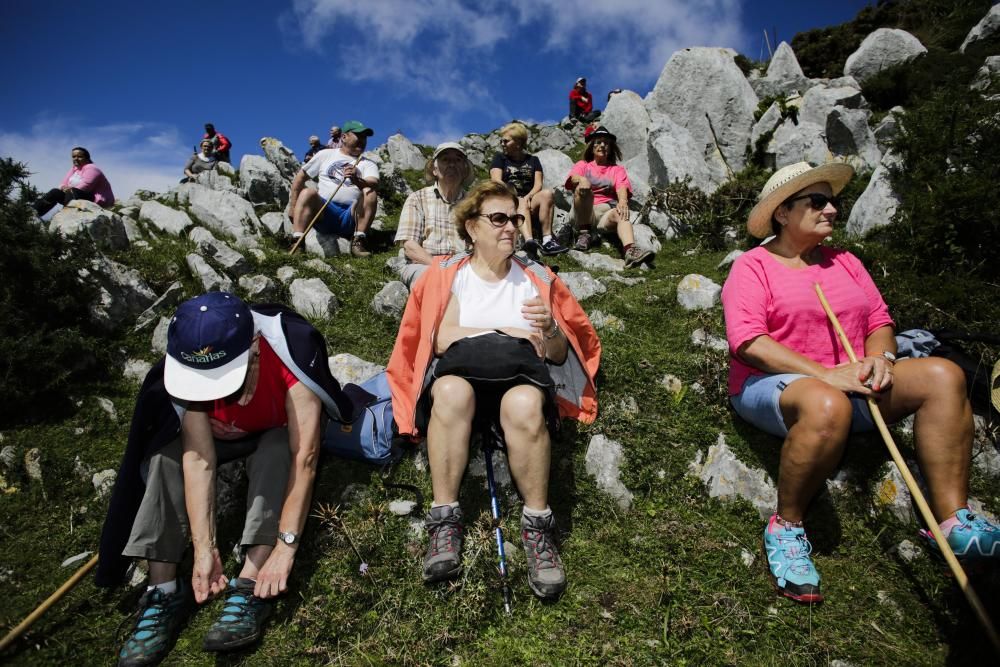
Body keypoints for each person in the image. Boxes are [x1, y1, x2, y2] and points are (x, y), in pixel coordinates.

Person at [722, 161, 1000, 605]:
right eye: (818, 201)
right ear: (782, 213)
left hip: (854, 381)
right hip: (778, 384)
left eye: (834, 201)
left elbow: (879, 321)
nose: (831, 209)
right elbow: (749, 341)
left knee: (943, 375)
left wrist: (881, 359)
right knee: (825, 404)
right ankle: (787, 527)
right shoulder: (753, 266)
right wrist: (827, 374)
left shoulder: (845, 261)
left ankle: (953, 521)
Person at [98, 292, 357, 665]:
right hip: (216, 440)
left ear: (253, 344)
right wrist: (205, 548)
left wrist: (287, 548)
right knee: (164, 459)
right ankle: (164, 588)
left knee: (277, 449)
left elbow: (306, 457)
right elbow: (198, 458)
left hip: (272, 432)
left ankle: (252, 577)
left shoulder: (290, 350)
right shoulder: (190, 354)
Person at [387, 180, 601, 600]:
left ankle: (538, 526)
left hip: (519, 382)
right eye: (499, 218)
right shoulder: (448, 275)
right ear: (472, 227)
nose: (511, 227)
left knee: (524, 404)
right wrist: (511, 330)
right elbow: (442, 338)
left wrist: (550, 329)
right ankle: (445, 519)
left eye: (516, 219)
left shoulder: (535, 278)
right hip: (462, 378)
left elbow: (558, 355)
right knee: (449, 392)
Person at [289, 120, 379, 258]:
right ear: (344, 137)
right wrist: (293, 206)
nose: (362, 140)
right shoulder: (326, 154)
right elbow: (300, 178)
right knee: (307, 192)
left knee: (369, 192)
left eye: (365, 137)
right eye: (358, 136)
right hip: (325, 212)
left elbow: (373, 183)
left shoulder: (368, 163)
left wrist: (356, 179)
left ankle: (358, 240)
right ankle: (297, 242)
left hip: (351, 216)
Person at [565, 127, 652, 268]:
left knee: (621, 211)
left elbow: (621, 187)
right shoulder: (583, 165)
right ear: (591, 147)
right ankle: (584, 234)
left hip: (604, 215)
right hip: (583, 213)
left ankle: (630, 250)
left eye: (606, 143)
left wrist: (623, 201)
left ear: (611, 148)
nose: (602, 146)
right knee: (584, 189)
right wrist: (581, 179)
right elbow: (572, 178)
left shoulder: (617, 170)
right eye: (598, 142)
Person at [394, 141, 473, 287]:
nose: (452, 164)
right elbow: (410, 246)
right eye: (445, 160)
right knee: (431, 281)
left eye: (458, 160)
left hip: (464, 265)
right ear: (434, 170)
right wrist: (441, 267)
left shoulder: (474, 204)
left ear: (464, 169)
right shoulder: (417, 198)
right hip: (424, 263)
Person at [489, 122, 568, 259]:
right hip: (508, 200)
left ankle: (548, 240)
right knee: (520, 201)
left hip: (529, 199)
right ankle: (529, 242)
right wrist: (516, 197)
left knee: (547, 194)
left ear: (518, 142)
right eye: (501, 140)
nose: (502, 143)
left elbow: (538, 184)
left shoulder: (533, 160)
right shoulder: (499, 159)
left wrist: (528, 196)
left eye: (506, 141)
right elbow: (496, 181)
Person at [33, 146, 114, 217]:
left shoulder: (92, 168)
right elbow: (63, 184)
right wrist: (63, 188)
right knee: (55, 192)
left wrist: (68, 189)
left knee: (72, 192)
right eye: (74, 156)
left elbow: (85, 186)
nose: (76, 158)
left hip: (97, 200)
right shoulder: (74, 169)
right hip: (74, 194)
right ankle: (33, 212)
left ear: (87, 158)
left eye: (79, 156)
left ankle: (67, 215)